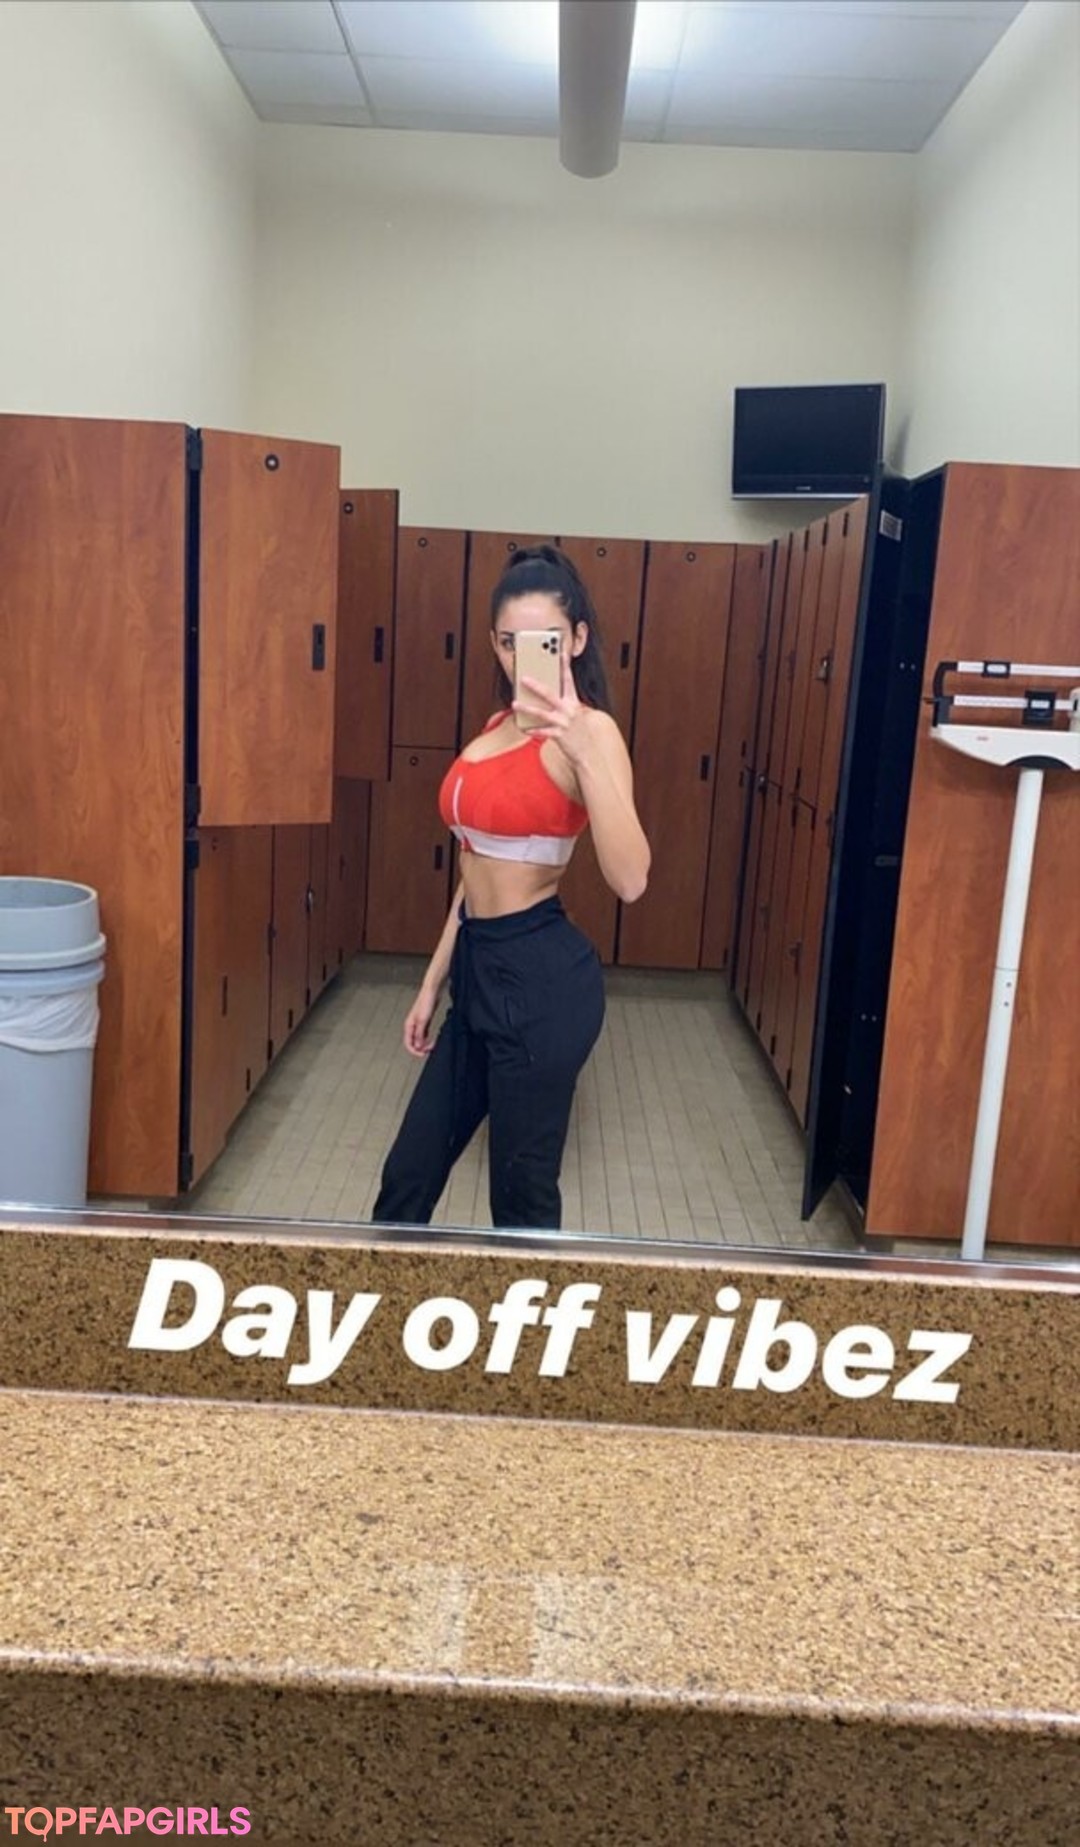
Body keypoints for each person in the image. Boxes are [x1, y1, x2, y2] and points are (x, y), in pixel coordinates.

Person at [371, 544, 650, 1232]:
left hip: (540, 981)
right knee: (407, 1177)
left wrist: (583, 751)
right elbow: (473, 871)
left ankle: (531, 1305)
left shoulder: (592, 734)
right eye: (508, 642)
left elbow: (631, 878)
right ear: (495, 644)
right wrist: (432, 983)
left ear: (576, 639)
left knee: (520, 1204)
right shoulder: (495, 729)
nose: (523, 658)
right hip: (475, 971)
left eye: (543, 641)